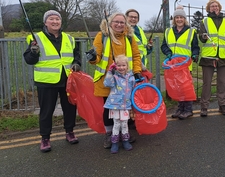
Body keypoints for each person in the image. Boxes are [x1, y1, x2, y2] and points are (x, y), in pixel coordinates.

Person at [23, 10, 82, 153]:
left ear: (61, 22)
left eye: (57, 19)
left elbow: (76, 56)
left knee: (70, 108)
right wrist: (33, 52)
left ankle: (69, 132)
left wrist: (77, 64)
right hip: (46, 81)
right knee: (46, 111)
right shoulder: (36, 38)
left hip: (67, 79)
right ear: (45, 22)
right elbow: (29, 60)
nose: (55, 21)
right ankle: (45, 138)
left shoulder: (70, 38)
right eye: (51, 19)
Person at [87, 12, 143, 149]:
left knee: (125, 106)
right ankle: (109, 134)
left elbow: (136, 56)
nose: (119, 24)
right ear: (110, 23)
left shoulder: (129, 37)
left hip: (125, 80)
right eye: (116, 22)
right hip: (108, 80)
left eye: (122, 22)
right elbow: (96, 58)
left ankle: (124, 133)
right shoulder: (102, 36)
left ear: (126, 24)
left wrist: (136, 72)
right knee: (109, 109)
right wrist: (93, 57)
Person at [198, 0, 225, 117]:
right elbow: (201, 37)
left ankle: (222, 105)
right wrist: (203, 37)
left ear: (219, 8)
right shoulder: (205, 21)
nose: (215, 8)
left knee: (222, 82)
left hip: (223, 55)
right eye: (212, 6)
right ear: (209, 9)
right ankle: (204, 107)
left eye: (216, 6)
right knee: (207, 83)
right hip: (208, 56)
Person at [161, 7, 200, 119]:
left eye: (181, 17)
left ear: (184, 19)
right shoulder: (168, 31)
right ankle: (180, 108)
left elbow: (195, 47)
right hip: (173, 65)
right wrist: (168, 53)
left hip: (185, 65)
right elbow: (164, 45)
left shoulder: (191, 31)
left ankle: (188, 110)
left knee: (186, 88)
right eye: (177, 17)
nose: (179, 19)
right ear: (174, 19)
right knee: (178, 88)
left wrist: (195, 55)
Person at [103, 55, 135, 154]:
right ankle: (115, 143)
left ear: (127, 66)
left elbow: (133, 89)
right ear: (115, 66)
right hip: (115, 105)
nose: (121, 67)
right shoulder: (114, 76)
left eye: (123, 65)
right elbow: (107, 83)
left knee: (124, 124)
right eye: (119, 65)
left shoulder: (131, 77)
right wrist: (109, 71)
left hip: (125, 105)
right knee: (116, 124)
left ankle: (125, 140)